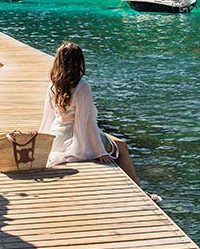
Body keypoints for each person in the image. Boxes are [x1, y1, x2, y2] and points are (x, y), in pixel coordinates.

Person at [39, 41, 141, 185]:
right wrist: (100, 151)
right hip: (75, 138)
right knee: (122, 146)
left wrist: (43, 142)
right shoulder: (82, 87)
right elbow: (87, 123)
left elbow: (48, 116)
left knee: (112, 141)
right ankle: (140, 188)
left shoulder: (53, 84)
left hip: (57, 137)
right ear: (79, 62)